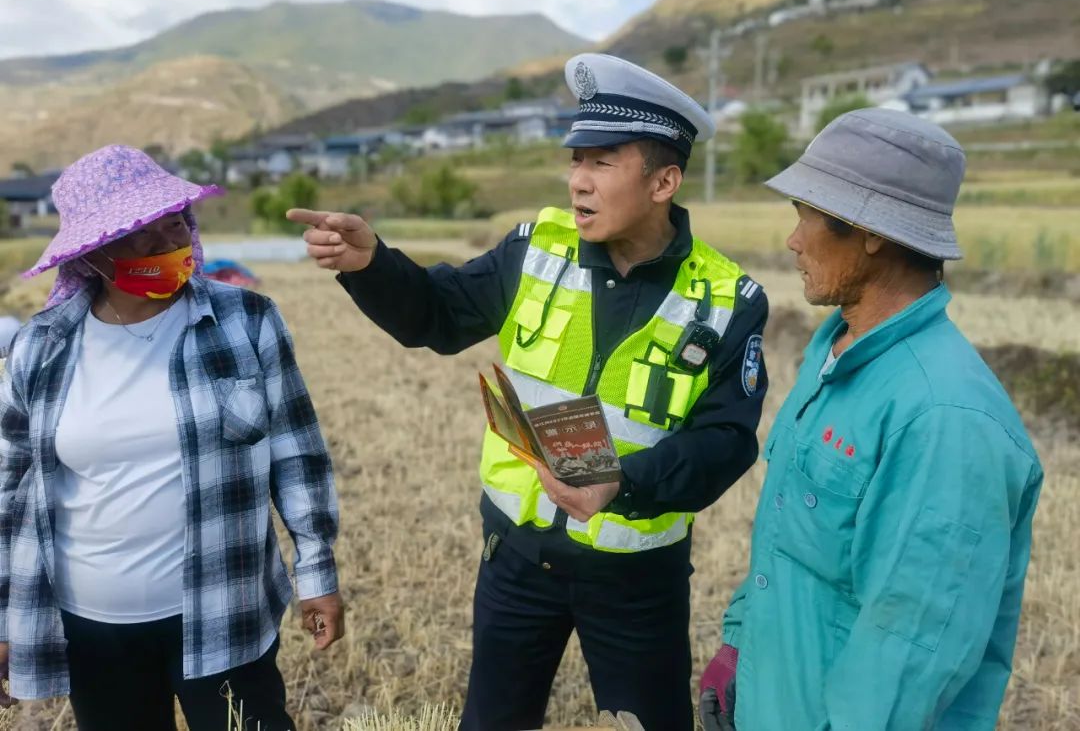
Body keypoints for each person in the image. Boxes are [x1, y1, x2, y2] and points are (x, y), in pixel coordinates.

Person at [288, 53, 769, 730]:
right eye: (576, 160)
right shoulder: (536, 248)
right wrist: (372, 265)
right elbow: (438, 314)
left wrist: (621, 483)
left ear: (664, 181)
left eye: (603, 163)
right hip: (516, 560)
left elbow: (724, 443)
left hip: (637, 578)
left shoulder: (727, 299)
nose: (578, 180)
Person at [698, 109, 1043, 731]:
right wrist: (739, 645)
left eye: (806, 213)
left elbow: (908, 652)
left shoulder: (944, 420)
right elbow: (786, 548)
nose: (793, 240)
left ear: (871, 232)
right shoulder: (834, 353)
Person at [0, 145, 343, 731]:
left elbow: (297, 455)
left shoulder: (246, 321)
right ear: (95, 253)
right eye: (141, 236)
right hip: (93, 630)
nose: (166, 245)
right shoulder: (41, 347)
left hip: (225, 611)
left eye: (176, 225)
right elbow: (9, 489)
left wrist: (317, 574)